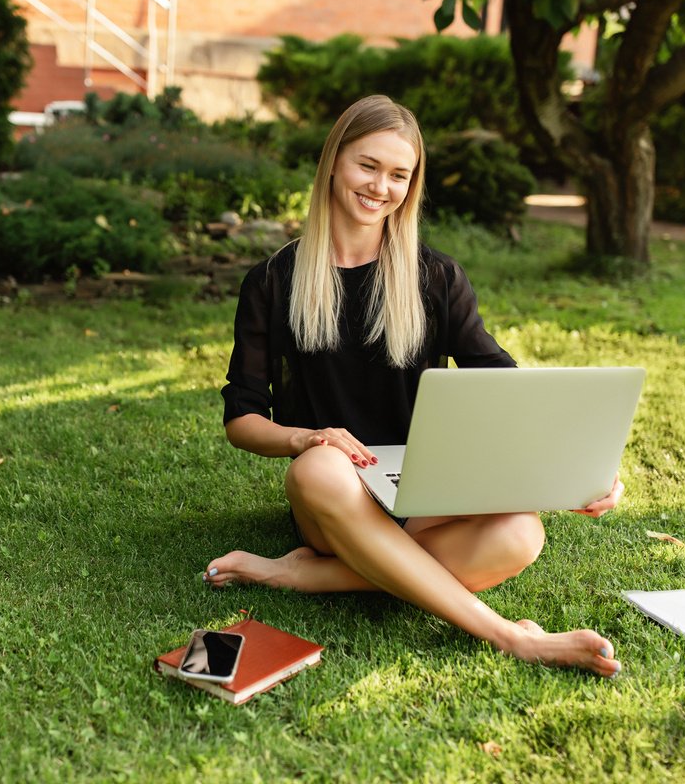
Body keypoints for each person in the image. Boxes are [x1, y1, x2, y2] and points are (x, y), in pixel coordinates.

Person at [204, 95, 623, 678]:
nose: (381, 186)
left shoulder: (435, 276)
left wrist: (580, 465)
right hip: (337, 494)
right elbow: (242, 418)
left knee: (522, 534)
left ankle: (299, 574)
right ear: (333, 163)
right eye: (367, 165)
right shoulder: (274, 281)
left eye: (399, 174)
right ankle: (510, 637)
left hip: (424, 490)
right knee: (318, 467)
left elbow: (500, 380)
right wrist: (306, 438)